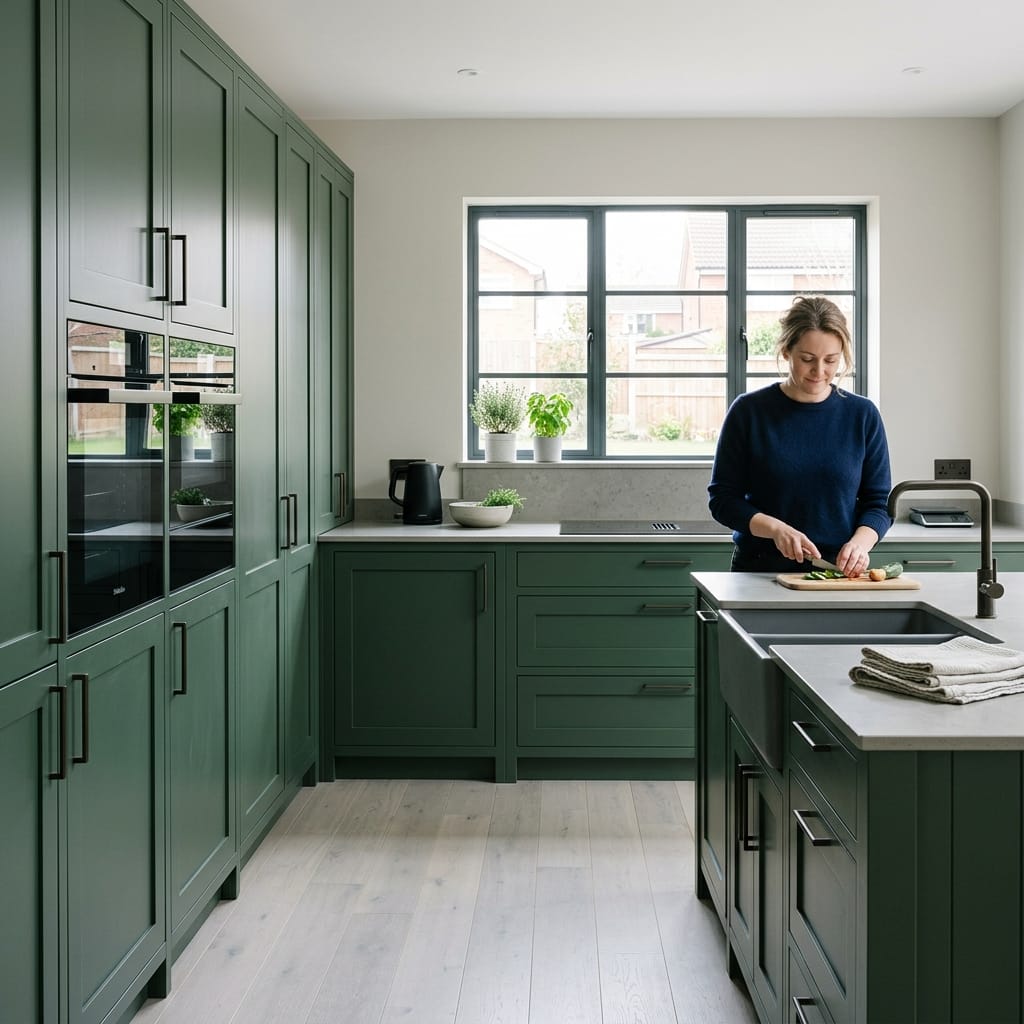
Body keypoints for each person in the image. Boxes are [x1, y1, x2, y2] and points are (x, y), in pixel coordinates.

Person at [708, 295, 892, 577]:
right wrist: (775, 529)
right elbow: (723, 500)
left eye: (831, 360)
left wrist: (860, 544)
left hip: (835, 573)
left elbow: (878, 504)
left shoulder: (862, 415)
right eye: (807, 359)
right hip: (759, 571)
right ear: (786, 352)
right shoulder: (749, 412)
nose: (819, 371)